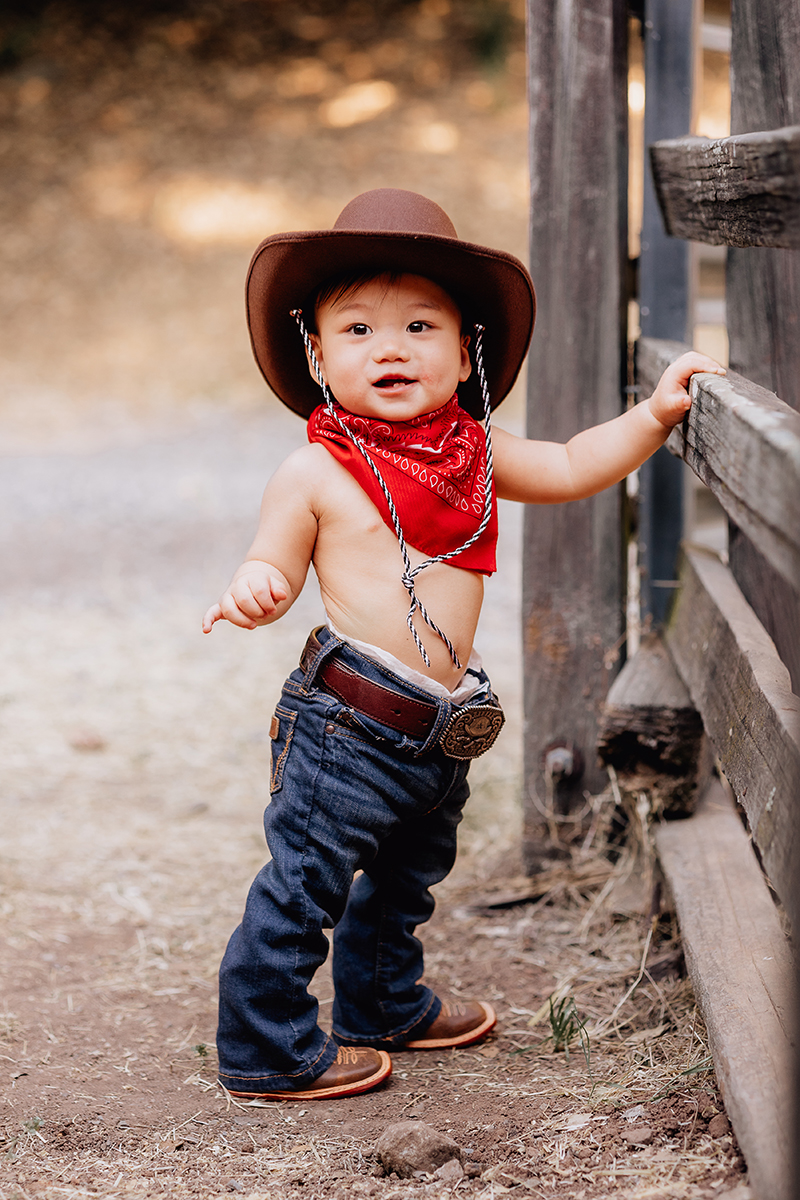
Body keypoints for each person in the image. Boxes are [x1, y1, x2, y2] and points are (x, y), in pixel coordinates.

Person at [202, 188, 724, 1102]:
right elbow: (272, 564)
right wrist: (258, 589)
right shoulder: (315, 469)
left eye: (419, 326)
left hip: (438, 729)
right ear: (317, 355)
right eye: (358, 330)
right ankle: (265, 1043)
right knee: (305, 886)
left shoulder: (474, 448)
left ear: (466, 348)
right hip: (346, 725)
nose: (391, 347)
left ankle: (380, 999)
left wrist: (651, 418)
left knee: (405, 881)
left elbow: (567, 467)